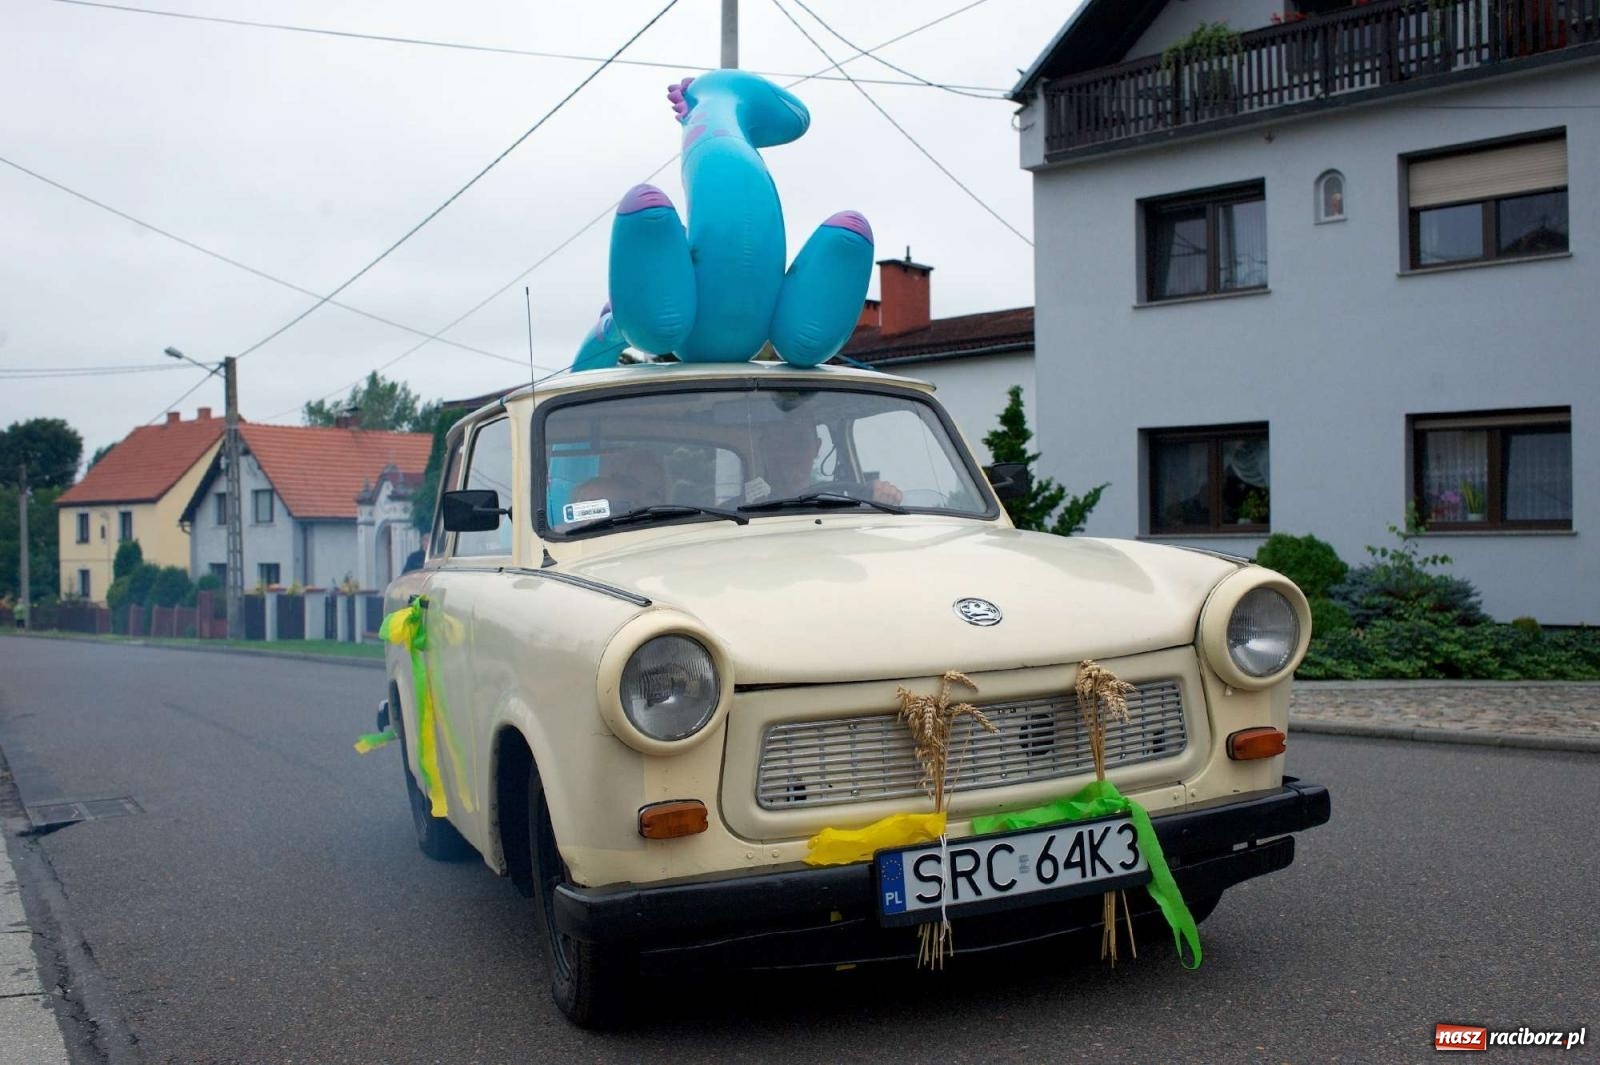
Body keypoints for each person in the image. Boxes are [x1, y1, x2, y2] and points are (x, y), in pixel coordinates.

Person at [755, 418, 902, 505]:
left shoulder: (843, 504)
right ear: (765, 450)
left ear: (817, 447)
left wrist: (880, 498)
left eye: (800, 444)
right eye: (779, 444)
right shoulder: (740, 512)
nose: (790, 454)